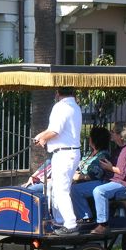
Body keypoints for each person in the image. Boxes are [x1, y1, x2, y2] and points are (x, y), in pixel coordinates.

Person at [33, 87, 82, 235]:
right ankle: (60, 221)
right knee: (56, 188)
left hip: (63, 154)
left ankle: (70, 224)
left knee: (61, 190)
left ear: (58, 93)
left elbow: (55, 131)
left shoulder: (60, 107)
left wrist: (43, 139)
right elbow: (52, 129)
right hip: (71, 152)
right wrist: (40, 136)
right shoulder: (75, 107)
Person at [90, 121, 126, 235]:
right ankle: (86, 219)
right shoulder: (117, 149)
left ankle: (103, 224)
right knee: (76, 190)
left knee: (99, 191)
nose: (111, 134)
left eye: (113, 132)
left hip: (125, 184)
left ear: (120, 135)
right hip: (110, 180)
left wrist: (111, 168)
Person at [69, 126, 112, 222]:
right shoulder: (90, 153)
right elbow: (80, 166)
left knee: (74, 190)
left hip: (98, 182)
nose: (89, 139)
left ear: (95, 139)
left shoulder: (103, 155)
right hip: (82, 180)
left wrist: (78, 177)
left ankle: (86, 217)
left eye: (90, 136)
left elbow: (94, 175)